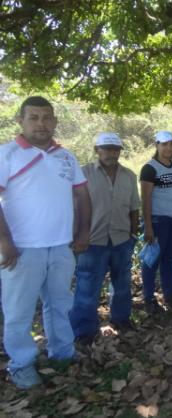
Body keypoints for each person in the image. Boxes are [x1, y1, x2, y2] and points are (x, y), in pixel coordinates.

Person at [0, 96, 91, 389]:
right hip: (22, 249)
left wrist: (83, 231)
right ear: (21, 121)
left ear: (54, 121)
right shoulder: (7, 154)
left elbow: (82, 195)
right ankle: (22, 364)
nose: (41, 123)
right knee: (18, 312)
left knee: (59, 305)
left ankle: (62, 353)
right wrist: (4, 240)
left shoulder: (66, 156)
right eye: (33, 117)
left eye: (46, 117)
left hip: (61, 246)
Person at [70, 132, 140, 346]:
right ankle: (84, 330)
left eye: (115, 149)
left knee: (122, 284)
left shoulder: (129, 175)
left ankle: (121, 319)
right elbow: (74, 208)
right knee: (87, 286)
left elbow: (134, 207)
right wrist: (75, 237)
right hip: (92, 241)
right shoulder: (83, 174)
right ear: (96, 150)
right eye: (106, 148)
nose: (111, 153)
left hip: (121, 239)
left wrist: (133, 234)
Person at [140, 131, 172, 313]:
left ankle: (169, 294)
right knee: (151, 261)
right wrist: (148, 226)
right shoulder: (150, 168)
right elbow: (146, 198)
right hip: (158, 221)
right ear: (157, 145)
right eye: (164, 144)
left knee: (168, 259)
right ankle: (149, 298)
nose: (169, 148)